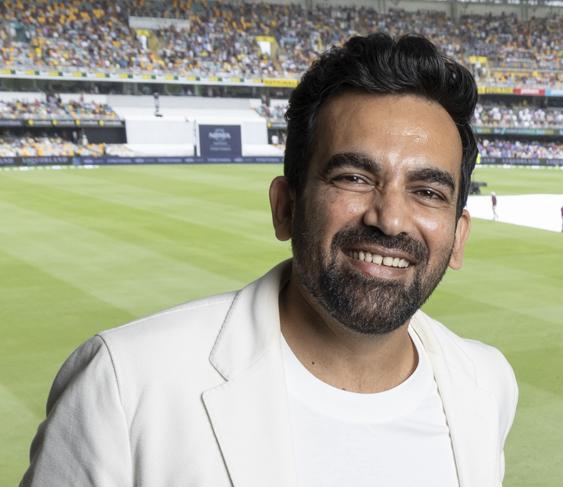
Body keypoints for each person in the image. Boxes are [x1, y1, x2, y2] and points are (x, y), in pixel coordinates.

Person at [21, 34, 517, 487]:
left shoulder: (485, 384)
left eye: (428, 191)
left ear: (458, 237)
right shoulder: (124, 385)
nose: (390, 219)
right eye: (353, 177)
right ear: (285, 206)